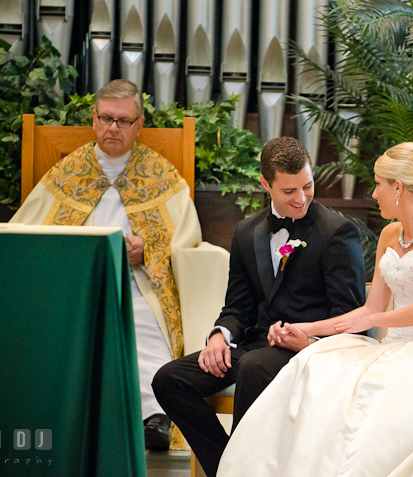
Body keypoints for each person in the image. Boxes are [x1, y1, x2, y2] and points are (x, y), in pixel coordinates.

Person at [217, 142, 413, 476]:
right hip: (394, 348)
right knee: (323, 372)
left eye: (378, 184)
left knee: (374, 396)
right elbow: (370, 306)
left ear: (398, 187)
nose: (374, 193)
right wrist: (307, 329)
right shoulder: (390, 235)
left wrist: (374, 319)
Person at [10, 79, 229, 451]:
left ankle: (154, 418)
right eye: (107, 119)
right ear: (94, 120)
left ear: (139, 125)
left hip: (138, 283)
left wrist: (150, 250)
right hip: (75, 284)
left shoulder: (161, 177)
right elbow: (27, 234)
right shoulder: (67, 173)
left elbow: (186, 242)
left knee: (145, 331)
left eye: (124, 121)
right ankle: (58, 422)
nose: (114, 128)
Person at [152, 137, 367, 477]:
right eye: (289, 191)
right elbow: (237, 306)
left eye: (307, 186)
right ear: (265, 183)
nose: (300, 199)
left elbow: (353, 318)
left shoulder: (337, 232)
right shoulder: (245, 231)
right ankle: (228, 466)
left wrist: (308, 341)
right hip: (254, 347)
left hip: (309, 351)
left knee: (254, 367)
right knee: (169, 379)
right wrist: (219, 337)